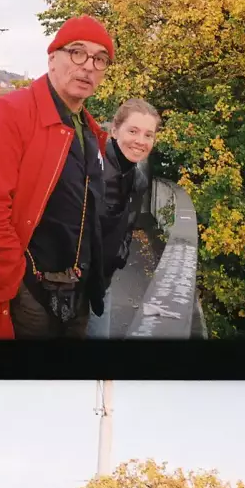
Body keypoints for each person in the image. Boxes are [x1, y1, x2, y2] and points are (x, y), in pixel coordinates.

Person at [0, 16, 114, 339]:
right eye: (77, 53)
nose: (88, 66)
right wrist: (17, 283)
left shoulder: (90, 130)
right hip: (25, 297)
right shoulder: (12, 113)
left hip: (76, 296)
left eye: (100, 59)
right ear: (52, 57)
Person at [88, 98, 160, 338]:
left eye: (148, 135)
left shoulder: (136, 178)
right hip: (72, 289)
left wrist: (120, 254)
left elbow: (125, 227)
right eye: (133, 131)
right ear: (114, 130)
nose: (141, 141)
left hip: (102, 284)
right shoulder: (92, 171)